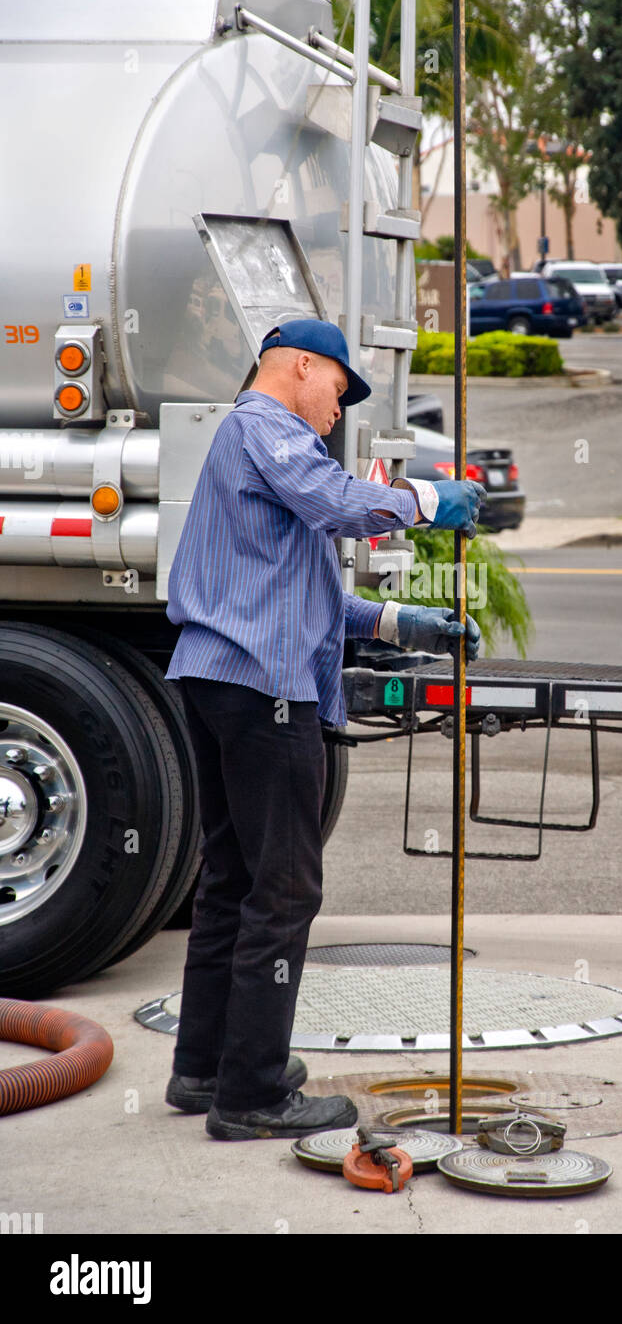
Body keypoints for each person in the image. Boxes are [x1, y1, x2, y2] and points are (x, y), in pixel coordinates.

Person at [162, 317, 484, 1141]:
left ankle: (206, 1068)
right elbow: (336, 503)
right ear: (300, 365)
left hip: (222, 678)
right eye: (339, 391)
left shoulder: (255, 449)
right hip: (264, 691)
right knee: (287, 889)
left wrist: (397, 624)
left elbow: (301, 589)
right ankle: (255, 1096)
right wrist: (424, 498)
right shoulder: (263, 426)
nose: (338, 412)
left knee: (232, 878)